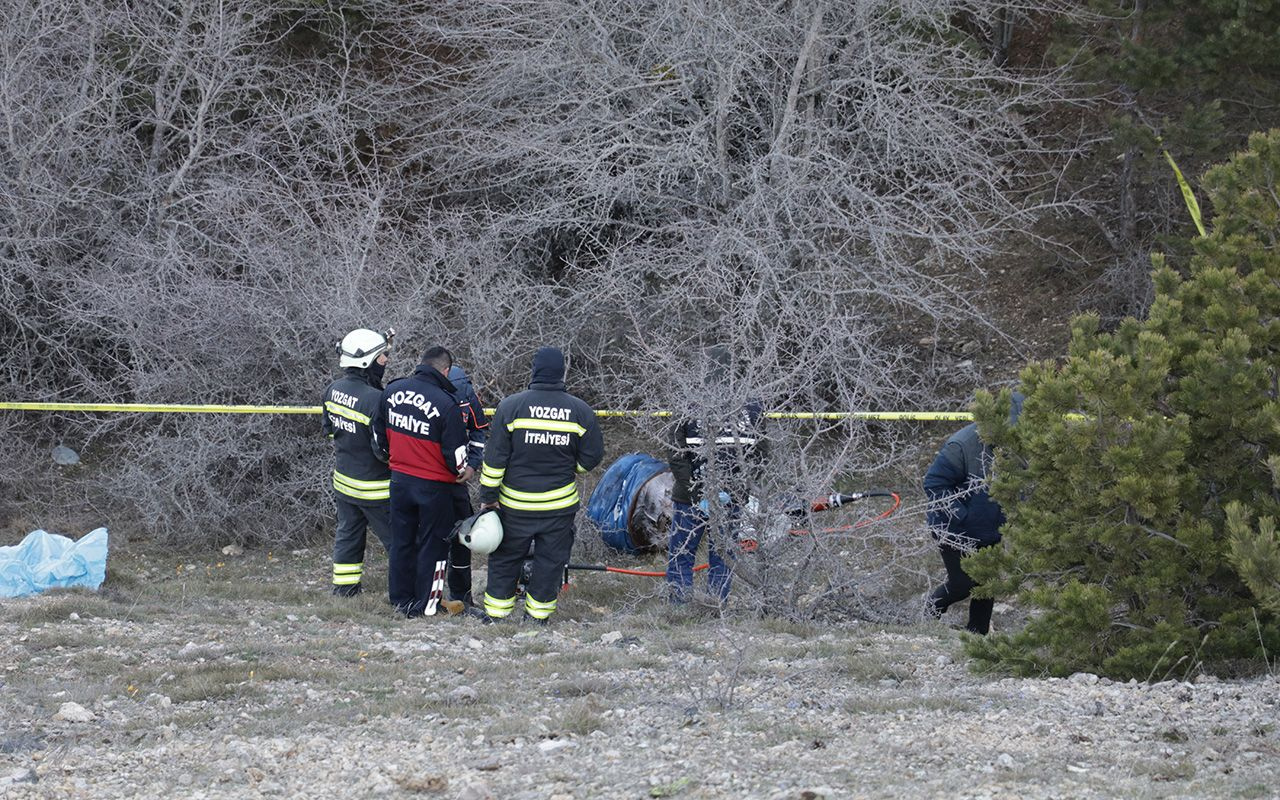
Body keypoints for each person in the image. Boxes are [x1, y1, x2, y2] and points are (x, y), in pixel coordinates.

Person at [478, 347, 604, 624]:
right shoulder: (580, 410)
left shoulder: (511, 406)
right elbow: (591, 457)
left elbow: (495, 459)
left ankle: (496, 616)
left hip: (515, 505)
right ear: (562, 373)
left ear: (533, 371)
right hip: (558, 508)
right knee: (550, 563)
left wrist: (488, 497)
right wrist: (572, 467)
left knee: (505, 559)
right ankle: (536, 619)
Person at [372, 345, 471, 618]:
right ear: (446, 371)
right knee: (435, 545)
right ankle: (426, 605)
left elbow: (378, 437)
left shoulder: (392, 391)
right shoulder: (446, 403)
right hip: (434, 486)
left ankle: (400, 600)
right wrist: (466, 471)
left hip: (400, 481)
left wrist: (392, 459)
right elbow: (457, 456)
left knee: (402, 541)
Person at [665, 346, 768, 605]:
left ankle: (679, 606)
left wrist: (695, 491)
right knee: (722, 555)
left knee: (682, 552)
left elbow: (676, 453)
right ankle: (717, 606)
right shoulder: (752, 405)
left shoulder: (688, 401)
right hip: (729, 497)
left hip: (690, 498)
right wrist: (741, 488)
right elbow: (762, 454)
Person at [923, 392, 1024, 635]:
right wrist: (964, 516)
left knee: (987, 584)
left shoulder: (1022, 446)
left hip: (990, 528)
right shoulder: (963, 445)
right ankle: (927, 615)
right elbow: (934, 484)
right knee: (963, 584)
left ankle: (977, 635)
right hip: (952, 528)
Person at [322, 328, 395, 597]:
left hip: (344, 483)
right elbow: (383, 451)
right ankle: (405, 591)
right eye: (383, 356)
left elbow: (330, 430)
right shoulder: (376, 399)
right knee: (399, 541)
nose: (386, 360)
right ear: (368, 361)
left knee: (348, 535)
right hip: (376, 488)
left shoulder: (333, 390)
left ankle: (344, 589)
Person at [446, 364, 489, 609]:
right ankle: (426, 595)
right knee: (429, 539)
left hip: (457, 481)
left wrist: (472, 465)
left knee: (462, 538)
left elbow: (478, 430)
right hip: (426, 481)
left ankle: (462, 596)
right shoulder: (423, 393)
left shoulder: (466, 394)